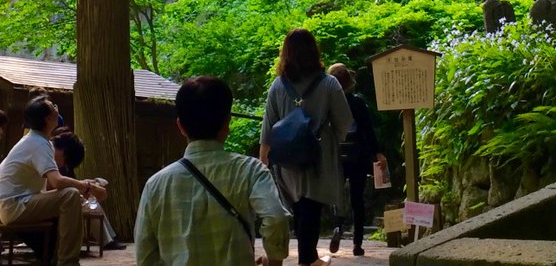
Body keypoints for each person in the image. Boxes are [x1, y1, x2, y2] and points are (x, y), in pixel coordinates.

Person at [136, 76, 290, 266]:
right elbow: (276, 218)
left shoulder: (156, 185)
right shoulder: (250, 170)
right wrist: (274, 260)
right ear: (227, 122)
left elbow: (145, 255)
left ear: (180, 126)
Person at [259, 29, 352, 266]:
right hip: (318, 154)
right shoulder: (329, 84)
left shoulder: (278, 86)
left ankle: (307, 257)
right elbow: (344, 122)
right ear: (314, 50)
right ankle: (307, 259)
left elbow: (268, 125)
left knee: (300, 206)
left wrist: (264, 157)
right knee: (312, 204)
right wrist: (331, 139)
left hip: (287, 158)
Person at [0, 95, 107, 266]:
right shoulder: (38, 143)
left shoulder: (39, 141)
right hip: (14, 206)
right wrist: (87, 186)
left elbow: (53, 185)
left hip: (17, 204)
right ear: (48, 118)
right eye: (53, 106)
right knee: (70, 195)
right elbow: (57, 182)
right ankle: (68, 262)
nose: (57, 107)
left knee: (72, 197)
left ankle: (57, 258)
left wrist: (84, 186)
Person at [326, 63, 387, 257]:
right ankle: (357, 243)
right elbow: (368, 131)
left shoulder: (328, 104)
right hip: (358, 156)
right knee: (357, 199)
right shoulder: (358, 103)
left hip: (337, 156)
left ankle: (338, 225)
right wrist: (377, 152)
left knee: (336, 195)